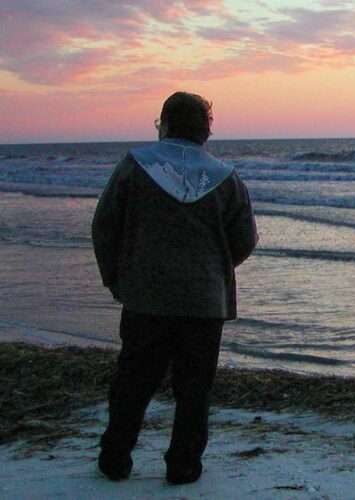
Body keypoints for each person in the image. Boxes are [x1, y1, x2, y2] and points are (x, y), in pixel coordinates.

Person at [91, 92, 258, 484]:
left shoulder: (135, 167)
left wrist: (115, 275)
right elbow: (245, 238)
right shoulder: (225, 177)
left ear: (163, 123)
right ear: (206, 130)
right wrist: (213, 269)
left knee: (133, 380)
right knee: (194, 388)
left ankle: (115, 457)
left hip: (145, 295)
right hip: (203, 301)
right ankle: (183, 465)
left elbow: (104, 226)